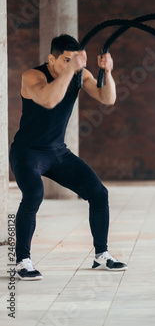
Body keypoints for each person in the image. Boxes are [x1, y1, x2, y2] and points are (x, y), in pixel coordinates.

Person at [9, 34, 127, 280]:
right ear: (51, 58)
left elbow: (108, 98)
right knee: (33, 194)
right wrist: (71, 69)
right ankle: (22, 261)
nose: (71, 65)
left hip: (57, 152)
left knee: (99, 193)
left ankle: (101, 254)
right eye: (65, 60)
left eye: (75, 60)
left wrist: (108, 71)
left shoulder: (78, 75)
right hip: (27, 152)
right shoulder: (32, 76)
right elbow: (50, 100)